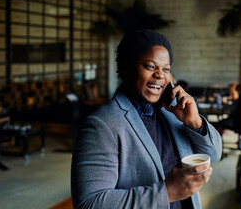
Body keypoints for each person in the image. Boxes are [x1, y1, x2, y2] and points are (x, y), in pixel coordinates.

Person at [71, 29, 222, 209]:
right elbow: (89, 204)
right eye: (150, 66)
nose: (160, 75)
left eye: (166, 69)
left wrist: (195, 122)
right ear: (127, 68)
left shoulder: (173, 113)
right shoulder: (102, 125)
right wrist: (168, 192)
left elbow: (214, 155)